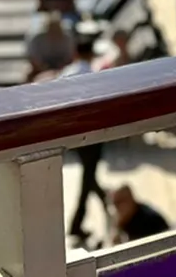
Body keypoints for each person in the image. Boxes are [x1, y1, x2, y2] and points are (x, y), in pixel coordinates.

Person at [60, 38, 104, 246]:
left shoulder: (67, 72)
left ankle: (104, 200)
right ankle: (76, 225)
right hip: (92, 135)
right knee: (88, 178)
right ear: (91, 55)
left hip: (72, 133)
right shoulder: (94, 76)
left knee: (89, 176)